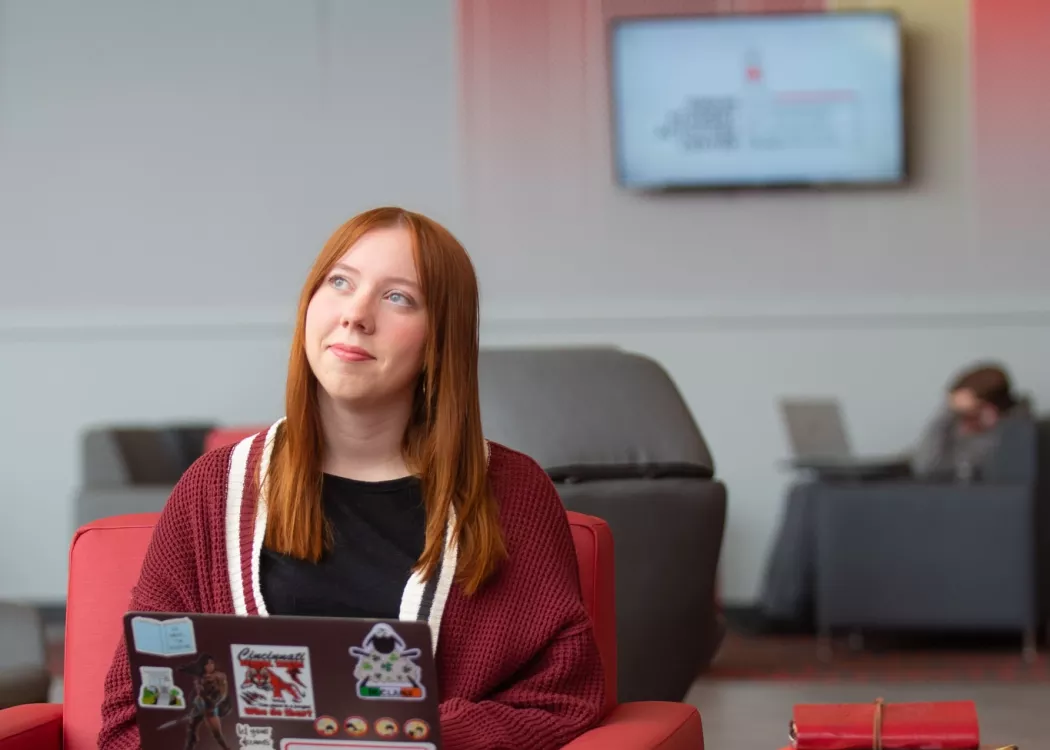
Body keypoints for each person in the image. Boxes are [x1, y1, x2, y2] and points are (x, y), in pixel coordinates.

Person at [98, 207, 605, 749]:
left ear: (441, 338)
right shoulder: (215, 487)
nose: (356, 315)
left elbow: (561, 700)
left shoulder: (510, 491)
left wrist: (413, 740)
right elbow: (131, 716)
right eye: (340, 282)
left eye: (398, 298)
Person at [757, 361, 1029, 630]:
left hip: (922, 493)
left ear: (987, 406)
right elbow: (922, 458)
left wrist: (950, 417)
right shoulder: (964, 426)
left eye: (960, 407)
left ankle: (784, 609)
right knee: (805, 489)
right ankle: (785, 603)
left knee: (814, 494)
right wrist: (951, 418)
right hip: (909, 478)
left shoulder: (1006, 434)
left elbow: (928, 467)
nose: (956, 414)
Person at [912, 362, 1028, 480]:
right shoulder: (952, 426)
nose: (962, 423)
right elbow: (924, 466)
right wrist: (947, 410)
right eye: (957, 414)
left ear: (991, 410)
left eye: (969, 413)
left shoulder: (1014, 436)